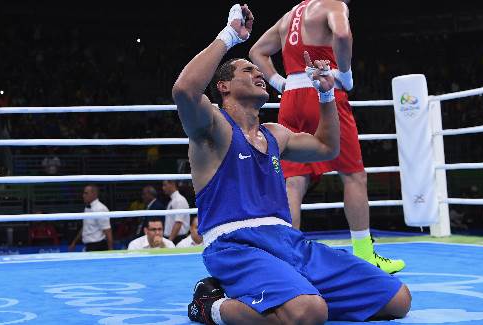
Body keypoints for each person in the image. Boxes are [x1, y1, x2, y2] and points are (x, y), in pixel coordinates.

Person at [172, 4, 410, 324]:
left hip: (288, 242)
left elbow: (327, 147)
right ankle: (211, 306)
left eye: (259, 71)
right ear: (223, 87)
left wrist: (326, 95)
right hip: (237, 247)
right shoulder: (212, 130)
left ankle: (292, 294)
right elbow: (184, 90)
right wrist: (229, 36)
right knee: (309, 312)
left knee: (398, 300)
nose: (260, 73)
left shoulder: (275, 135)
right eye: (248, 70)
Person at [249, 0, 404, 274]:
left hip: (292, 98)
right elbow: (343, 34)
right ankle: (366, 255)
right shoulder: (332, 6)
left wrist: (280, 83)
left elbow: (256, 51)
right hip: (323, 90)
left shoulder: (289, 16)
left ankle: (286, 258)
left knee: (294, 181)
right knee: (353, 175)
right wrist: (346, 74)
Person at [69, 185, 113, 251]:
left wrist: (111, 251)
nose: (83, 195)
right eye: (83, 193)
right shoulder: (87, 208)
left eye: (86, 193)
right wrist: (74, 242)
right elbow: (86, 227)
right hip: (89, 246)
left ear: (94, 194)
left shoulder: (100, 209)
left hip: (98, 246)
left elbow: (107, 231)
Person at [162, 180, 191, 244]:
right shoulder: (173, 201)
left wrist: (169, 241)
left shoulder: (179, 200)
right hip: (173, 238)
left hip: (177, 238)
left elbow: (178, 222)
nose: (163, 188)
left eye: (165, 185)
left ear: (172, 184)